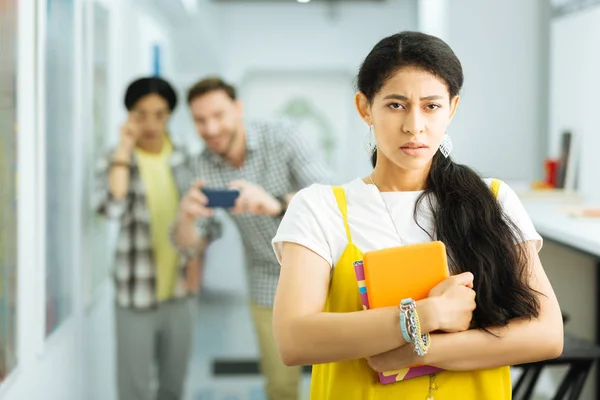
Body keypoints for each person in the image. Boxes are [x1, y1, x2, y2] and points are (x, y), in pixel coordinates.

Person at [270, 31, 564, 399]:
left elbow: (547, 334)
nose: (414, 125)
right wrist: (427, 315)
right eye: (395, 105)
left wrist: (415, 351)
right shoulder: (319, 207)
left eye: (431, 106)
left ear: (452, 108)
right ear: (365, 107)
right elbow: (294, 340)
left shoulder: (493, 200)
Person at [170, 77, 332, 400]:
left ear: (238, 108)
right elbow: (191, 243)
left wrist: (274, 203)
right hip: (267, 277)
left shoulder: (285, 137)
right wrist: (185, 217)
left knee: (337, 378)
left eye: (218, 115)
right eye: (200, 121)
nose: (211, 129)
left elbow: (328, 199)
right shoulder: (198, 168)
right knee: (280, 384)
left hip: (327, 270)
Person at [94, 77, 208, 400]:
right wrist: (125, 148)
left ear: (170, 114)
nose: (151, 123)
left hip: (181, 291)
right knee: (135, 390)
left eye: (159, 114)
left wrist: (198, 257)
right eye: (141, 113)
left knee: (173, 387)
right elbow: (110, 208)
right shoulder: (115, 158)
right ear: (129, 115)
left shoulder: (188, 157)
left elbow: (208, 221)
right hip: (135, 293)